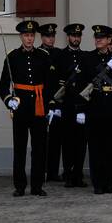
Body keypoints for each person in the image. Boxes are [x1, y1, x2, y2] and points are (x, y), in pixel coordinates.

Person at [0, 19, 55, 197]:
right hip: (21, 107)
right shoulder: (12, 57)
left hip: (39, 107)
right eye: (26, 35)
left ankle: (37, 185)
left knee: (39, 148)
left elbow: (50, 84)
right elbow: (3, 85)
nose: (29, 39)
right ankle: (20, 185)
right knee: (20, 148)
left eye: (31, 35)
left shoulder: (44, 56)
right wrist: (9, 100)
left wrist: (51, 106)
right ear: (21, 37)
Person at [73, 25, 112, 194]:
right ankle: (97, 183)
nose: (98, 40)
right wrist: (80, 109)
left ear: (110, 40)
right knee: (96, 148)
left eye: (102, 37)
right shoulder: (88, 58)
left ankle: (108, 182)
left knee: (111, 148)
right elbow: (80, 84)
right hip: (94, 108)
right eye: (97, 37)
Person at [55, 23, 88, 187]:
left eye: (78, 36)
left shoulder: (86, 57)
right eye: (73, 36)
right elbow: (56, 82)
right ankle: (68, 174)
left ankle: (78, 175)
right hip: (66, 104)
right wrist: (56, 106)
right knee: (67, 142)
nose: (76, 38)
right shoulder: (61, 56)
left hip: (81, 105)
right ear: (68, 37)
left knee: (81, 143)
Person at [37, 23, 63, 182]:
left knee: (56, 139)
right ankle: (40, 171)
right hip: (42, 101)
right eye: (47, 36)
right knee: (40, 139)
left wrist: (57, 101)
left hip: (57, 101)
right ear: (42, 37)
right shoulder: (37, 53)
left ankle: (53, 172)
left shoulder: (59, 54)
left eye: (52, 36)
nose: (51, 39)